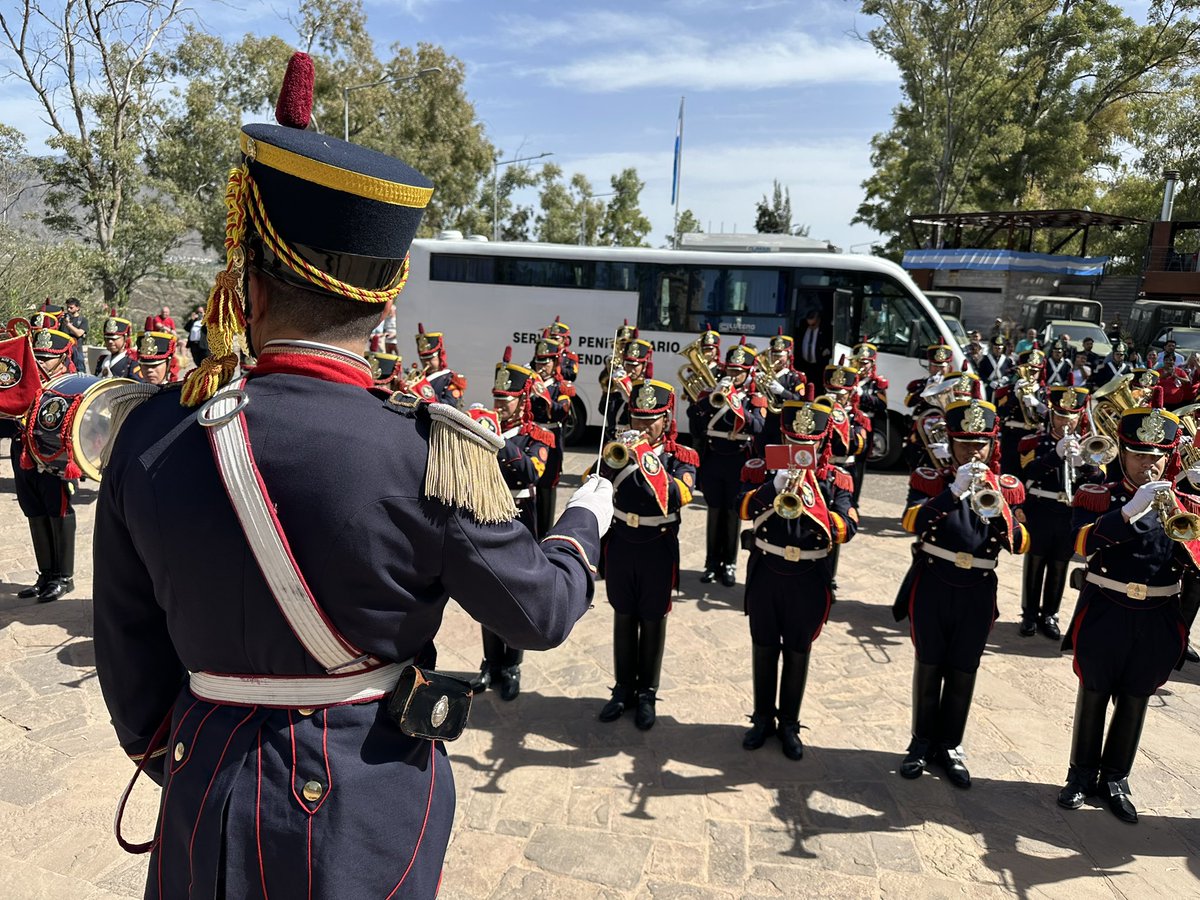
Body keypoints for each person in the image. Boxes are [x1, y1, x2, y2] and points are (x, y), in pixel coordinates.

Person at [91, 51, 612, 899]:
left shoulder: (150, 430)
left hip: (202, 792)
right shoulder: (429, 451)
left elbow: (128, 658)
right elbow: (541, 611)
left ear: (249, 288)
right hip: (363, 811)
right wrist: (584, 522)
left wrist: (191, 757)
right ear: (385, 303)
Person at [1058, 398, 1196, 824]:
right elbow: (1079, 543)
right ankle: (1081, 775)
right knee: (1095, 692)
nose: (1148, 465)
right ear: (1122, 452)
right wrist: (1127, 513)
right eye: (1138, 454)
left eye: (1157, 456)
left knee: (1136, 698)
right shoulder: (1099, 494)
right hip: (1107, 608)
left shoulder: (1186, 504)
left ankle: (1116, 779)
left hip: (1158, 614)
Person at [894, 395, 1029, 787]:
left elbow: (1020, 543)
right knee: (929, 662)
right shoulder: (931, 478)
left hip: (977, 589)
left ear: (992, 446)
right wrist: (953, 491)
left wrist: (998, 506)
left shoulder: (1008, 487)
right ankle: (921, 742)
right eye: (965, 443)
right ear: (951, 443)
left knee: (963, 667)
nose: (973, 451)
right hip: (934, 582)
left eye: (981, 443)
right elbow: (911, 522)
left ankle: (951, 745)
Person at [738, 391, 857, 759]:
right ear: (783, 437)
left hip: (808, 575)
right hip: (767, 571)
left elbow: (847, 527)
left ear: (821, 441)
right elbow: (741, 507)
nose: (800, 449)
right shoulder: (764, 469)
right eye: (792, 441)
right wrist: (773, 487)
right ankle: (762, 718)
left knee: (797, 650)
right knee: (763, 647)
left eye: (808, 443)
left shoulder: (835, 478)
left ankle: (789, 723)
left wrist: (813, 496)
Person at [596, 376, 697, 730]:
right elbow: (595, 483)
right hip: (622, 541)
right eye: (637, 417)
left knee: (653, 617)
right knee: (623, 614)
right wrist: (616, 459)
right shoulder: (617, 449)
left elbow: (679, 495)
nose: (642, 425)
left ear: (666, 420)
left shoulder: (680, 456)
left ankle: (647, 694)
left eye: (651, 419)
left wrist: (643, 458)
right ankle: (622, 689)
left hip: (657, 544)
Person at [468, 349, 558, 701]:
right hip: (485, 514)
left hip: (519, 518)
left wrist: (497, 439)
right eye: (497, 398)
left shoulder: (537, 436)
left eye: (506, 399)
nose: (500, 405)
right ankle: (490, 662)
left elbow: (531, 471)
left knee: (515, 595)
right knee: (485, 592)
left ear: (522, 401)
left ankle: (512, 665)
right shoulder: (484, 426)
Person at [1017, 386, 1105, 638]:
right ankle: (1029, 614)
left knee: (1059, 564)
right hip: (1040, 510)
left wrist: (1084, 465)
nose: (1065, 421)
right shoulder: (1035, 441)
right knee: (1035, 561)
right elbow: (1027, 472)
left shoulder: (1087, 445)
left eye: (1071, 417)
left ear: (1080, 417)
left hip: (1068, 513)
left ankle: (1050, 614)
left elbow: (1099, 480)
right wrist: (1055, 455)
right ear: (1051, 415)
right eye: (1060, 416)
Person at [688, 338, 766, 586]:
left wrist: (736, 404)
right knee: (714, 510)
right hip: (713, 459)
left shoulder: (754, 397)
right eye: (731, 370)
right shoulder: (711, 392)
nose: (734, 375)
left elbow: (758, 426)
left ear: (748, 373)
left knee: (733, 512)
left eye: (739, 372)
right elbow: (696, 425)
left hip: (738, 461)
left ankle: (729, 563)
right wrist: (708, 398)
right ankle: (711, 563)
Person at [13, 326, 79, 603]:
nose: (39, 362)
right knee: (33, 509)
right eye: (36, 356)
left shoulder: (70, 384)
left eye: (46, 358)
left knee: (57, 509)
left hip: (55, 455)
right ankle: (46, 574)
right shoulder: (27, 381)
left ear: (63, 358)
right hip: (23, 452)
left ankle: (63, 577)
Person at [529, 335, 575, 538]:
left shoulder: (561, 387)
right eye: (539, 361)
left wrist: (544, 396)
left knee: (547, 486)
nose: (542, 366)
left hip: (550, 437)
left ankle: (545, 533)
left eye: (546, 362)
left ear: (555, 363)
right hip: (531, 436)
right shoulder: (529, 384)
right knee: (529, 484)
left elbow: (561, 412)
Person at [994, 344, 1046, 477]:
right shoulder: (1007, 391)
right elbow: (1000, 415)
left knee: (1030, 475)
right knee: (1009, 475)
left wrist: (1038, 404)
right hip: (1012, 437)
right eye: (1027, 370)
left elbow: (1050, 418)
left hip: (1034, 438)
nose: (1031, 375)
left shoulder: (1045, 393)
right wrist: (1014, 397)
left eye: (1034, 371)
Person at [902, 340, 955, 470]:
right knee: (917, 461)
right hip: (921, 430)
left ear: (949, 367)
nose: (938, 370)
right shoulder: (918, 384)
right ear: (929, 366)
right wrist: (926, 388)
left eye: (942, 367)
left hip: (943, 429)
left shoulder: (954, 385)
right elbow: (908, 403)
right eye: (935, 366)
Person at [599, 331, 651, 432]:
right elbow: (603, 409)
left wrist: (628, 389)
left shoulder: (647, 387)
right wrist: (612, 391)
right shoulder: (619, 382)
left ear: (644, 366)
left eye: (635, 366)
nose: (631, 370)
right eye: (628, 365)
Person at [411, 324, 467, 407]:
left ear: (440, 356)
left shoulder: (450, 379)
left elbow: (450, 405)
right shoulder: (417, 377)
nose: (426, 362)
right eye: (423, 359)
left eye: (430, 358)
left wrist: (423, 393)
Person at [795, 307, 832, 386]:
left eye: (813, 324)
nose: (811, 326)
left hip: (818, 366)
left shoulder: (826, 331)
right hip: (804, 365)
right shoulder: (803, 329)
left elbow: (830, 346)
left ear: (818, 320)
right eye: (809, 324)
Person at [94, 314, 137, 378]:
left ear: (125, 338)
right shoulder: (102, 359)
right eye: (107, 338)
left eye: (114, 338)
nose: (110, 341)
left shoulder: (131, 361)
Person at [976, 335, 1010, 401]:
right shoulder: (985, 359)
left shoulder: (1007, 360)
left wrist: (1006, 378)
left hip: (1002, 386)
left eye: (999, 348)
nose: (998, 350)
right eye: (995, 348)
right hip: (989, 387)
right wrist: (988, 382)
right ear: (992, 348)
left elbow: (1011, 372)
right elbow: (980, 373)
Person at [60, 297, 88, 373]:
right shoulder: (62, 319)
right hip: (63, 349)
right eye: (67, 307)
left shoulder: (82, 320)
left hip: (76, 349)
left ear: (77, 308)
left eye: (71, 308)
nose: (68, 309)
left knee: (79, 364)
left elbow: (79, 333)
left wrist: (68, 324)